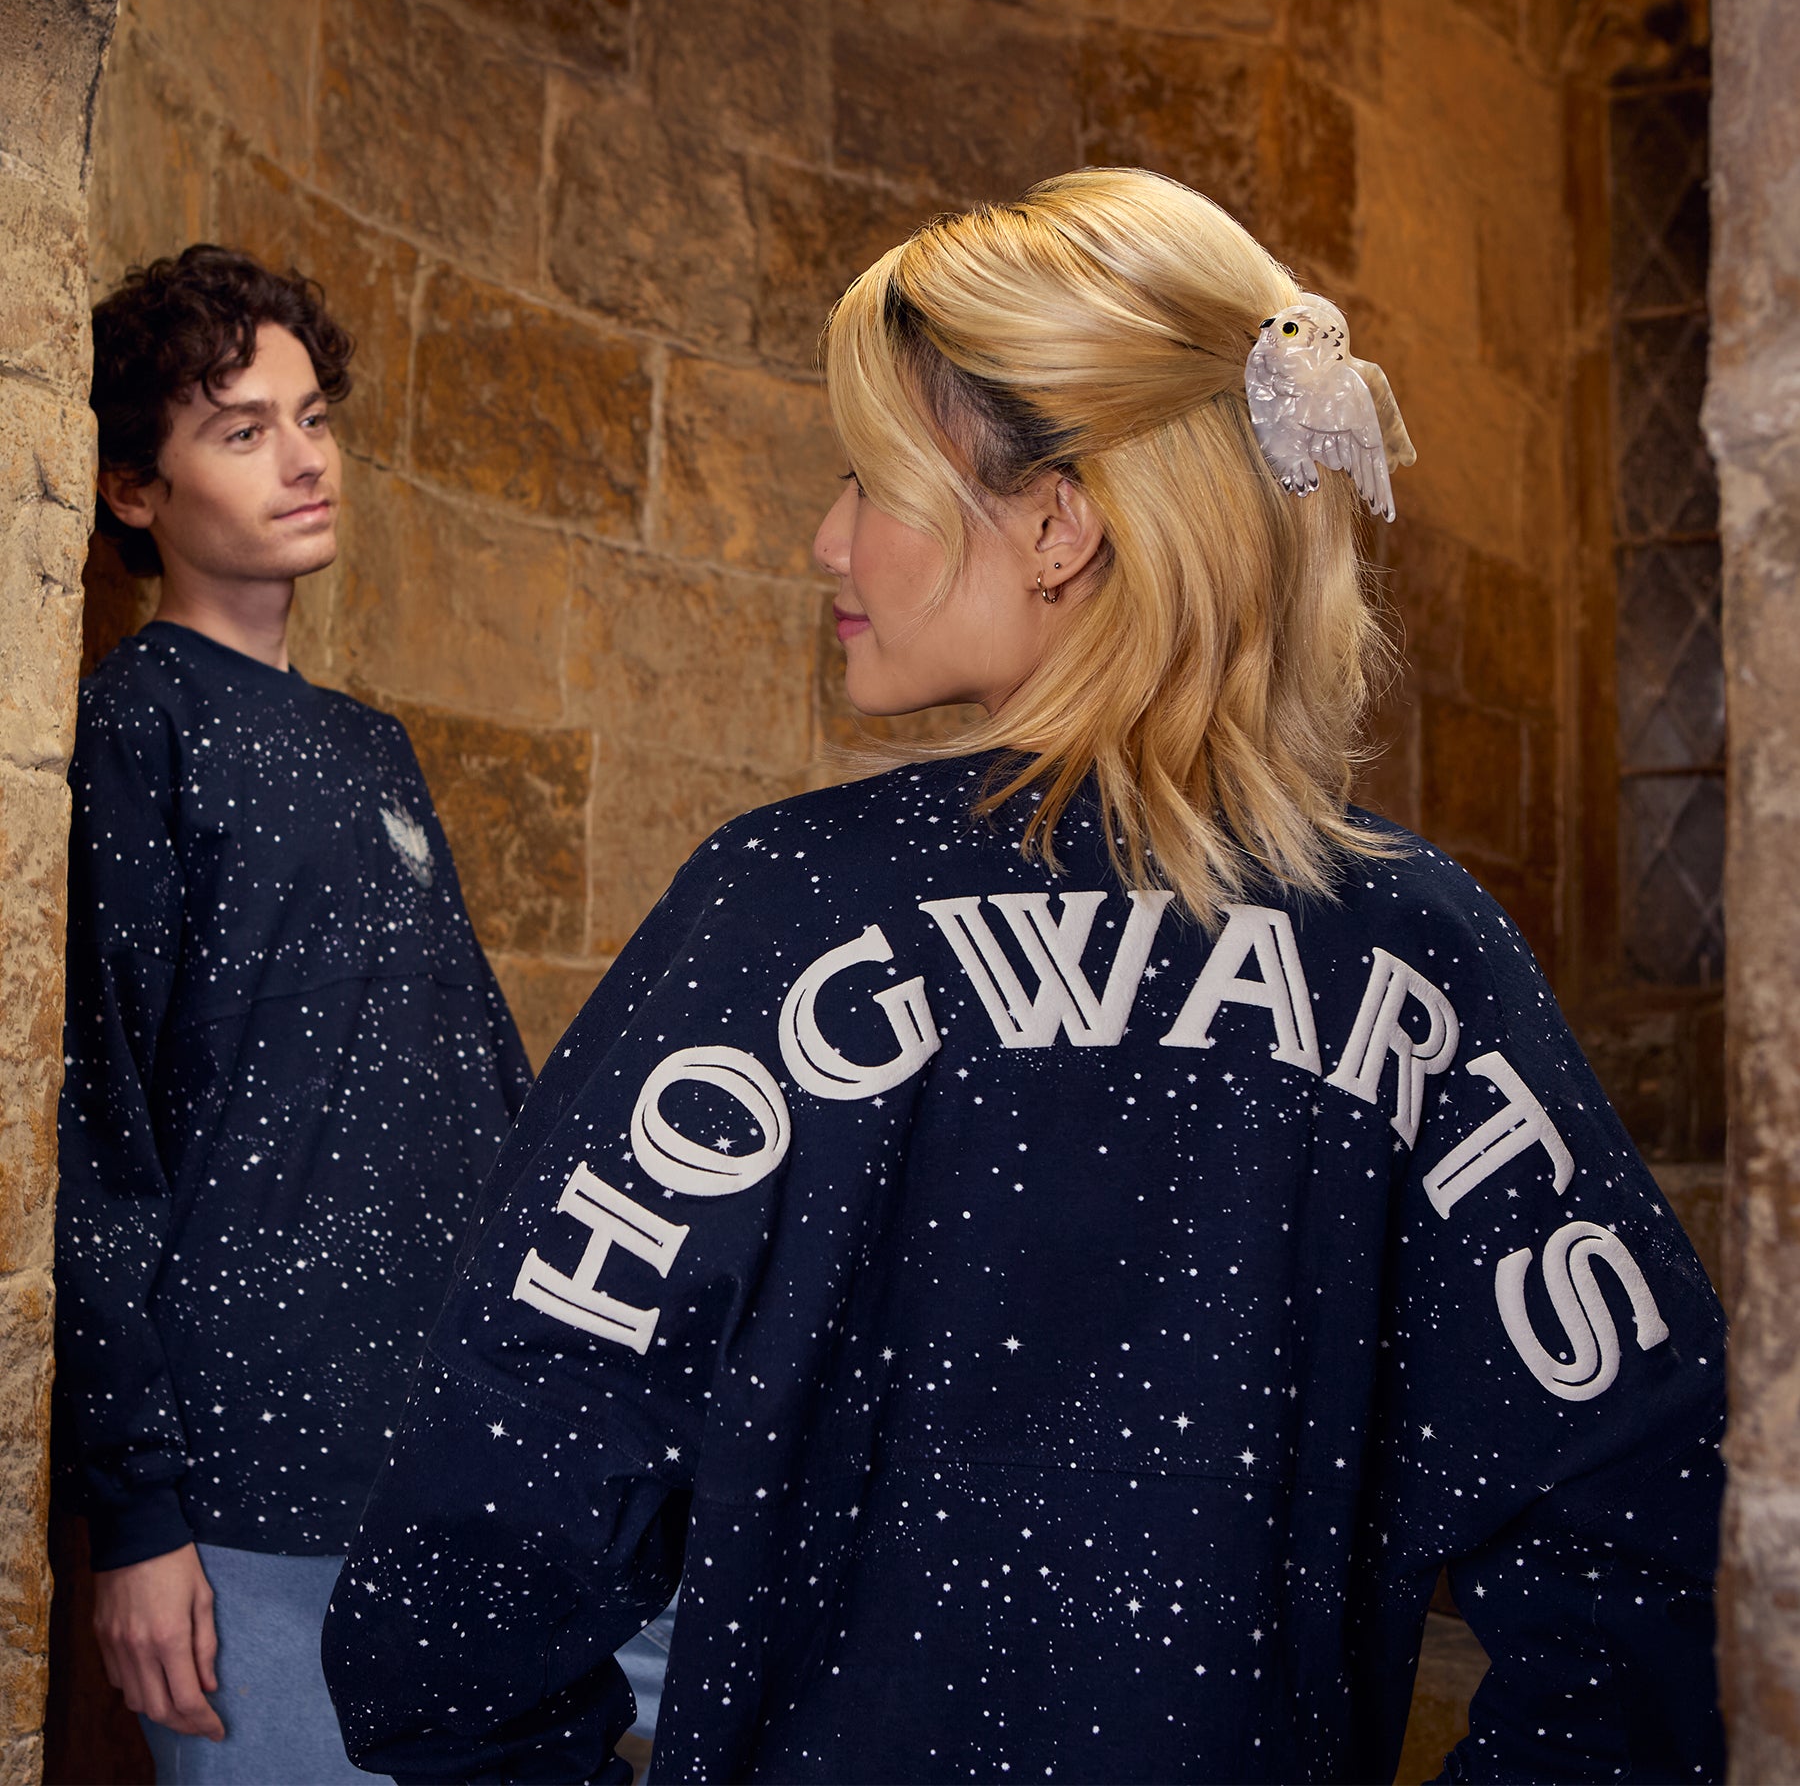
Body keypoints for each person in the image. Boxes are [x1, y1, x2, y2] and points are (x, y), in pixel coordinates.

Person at [322, 172, 1726, 1783]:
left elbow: (468, 1554)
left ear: (1060, 525)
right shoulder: (1421, 953)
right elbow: (1658, 1538)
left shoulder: (789, 910)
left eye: (873, 480)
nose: (829, 538)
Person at [57, 245, 533, 1782]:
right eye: (243, 430)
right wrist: (137, 1520)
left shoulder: (371, 746)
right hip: (246, 1485)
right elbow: (94, 1130)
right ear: (136, 488)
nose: (305, 457)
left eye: (312, 415)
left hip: (442, 1457)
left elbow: (479, 1083)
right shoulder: (134, 725)